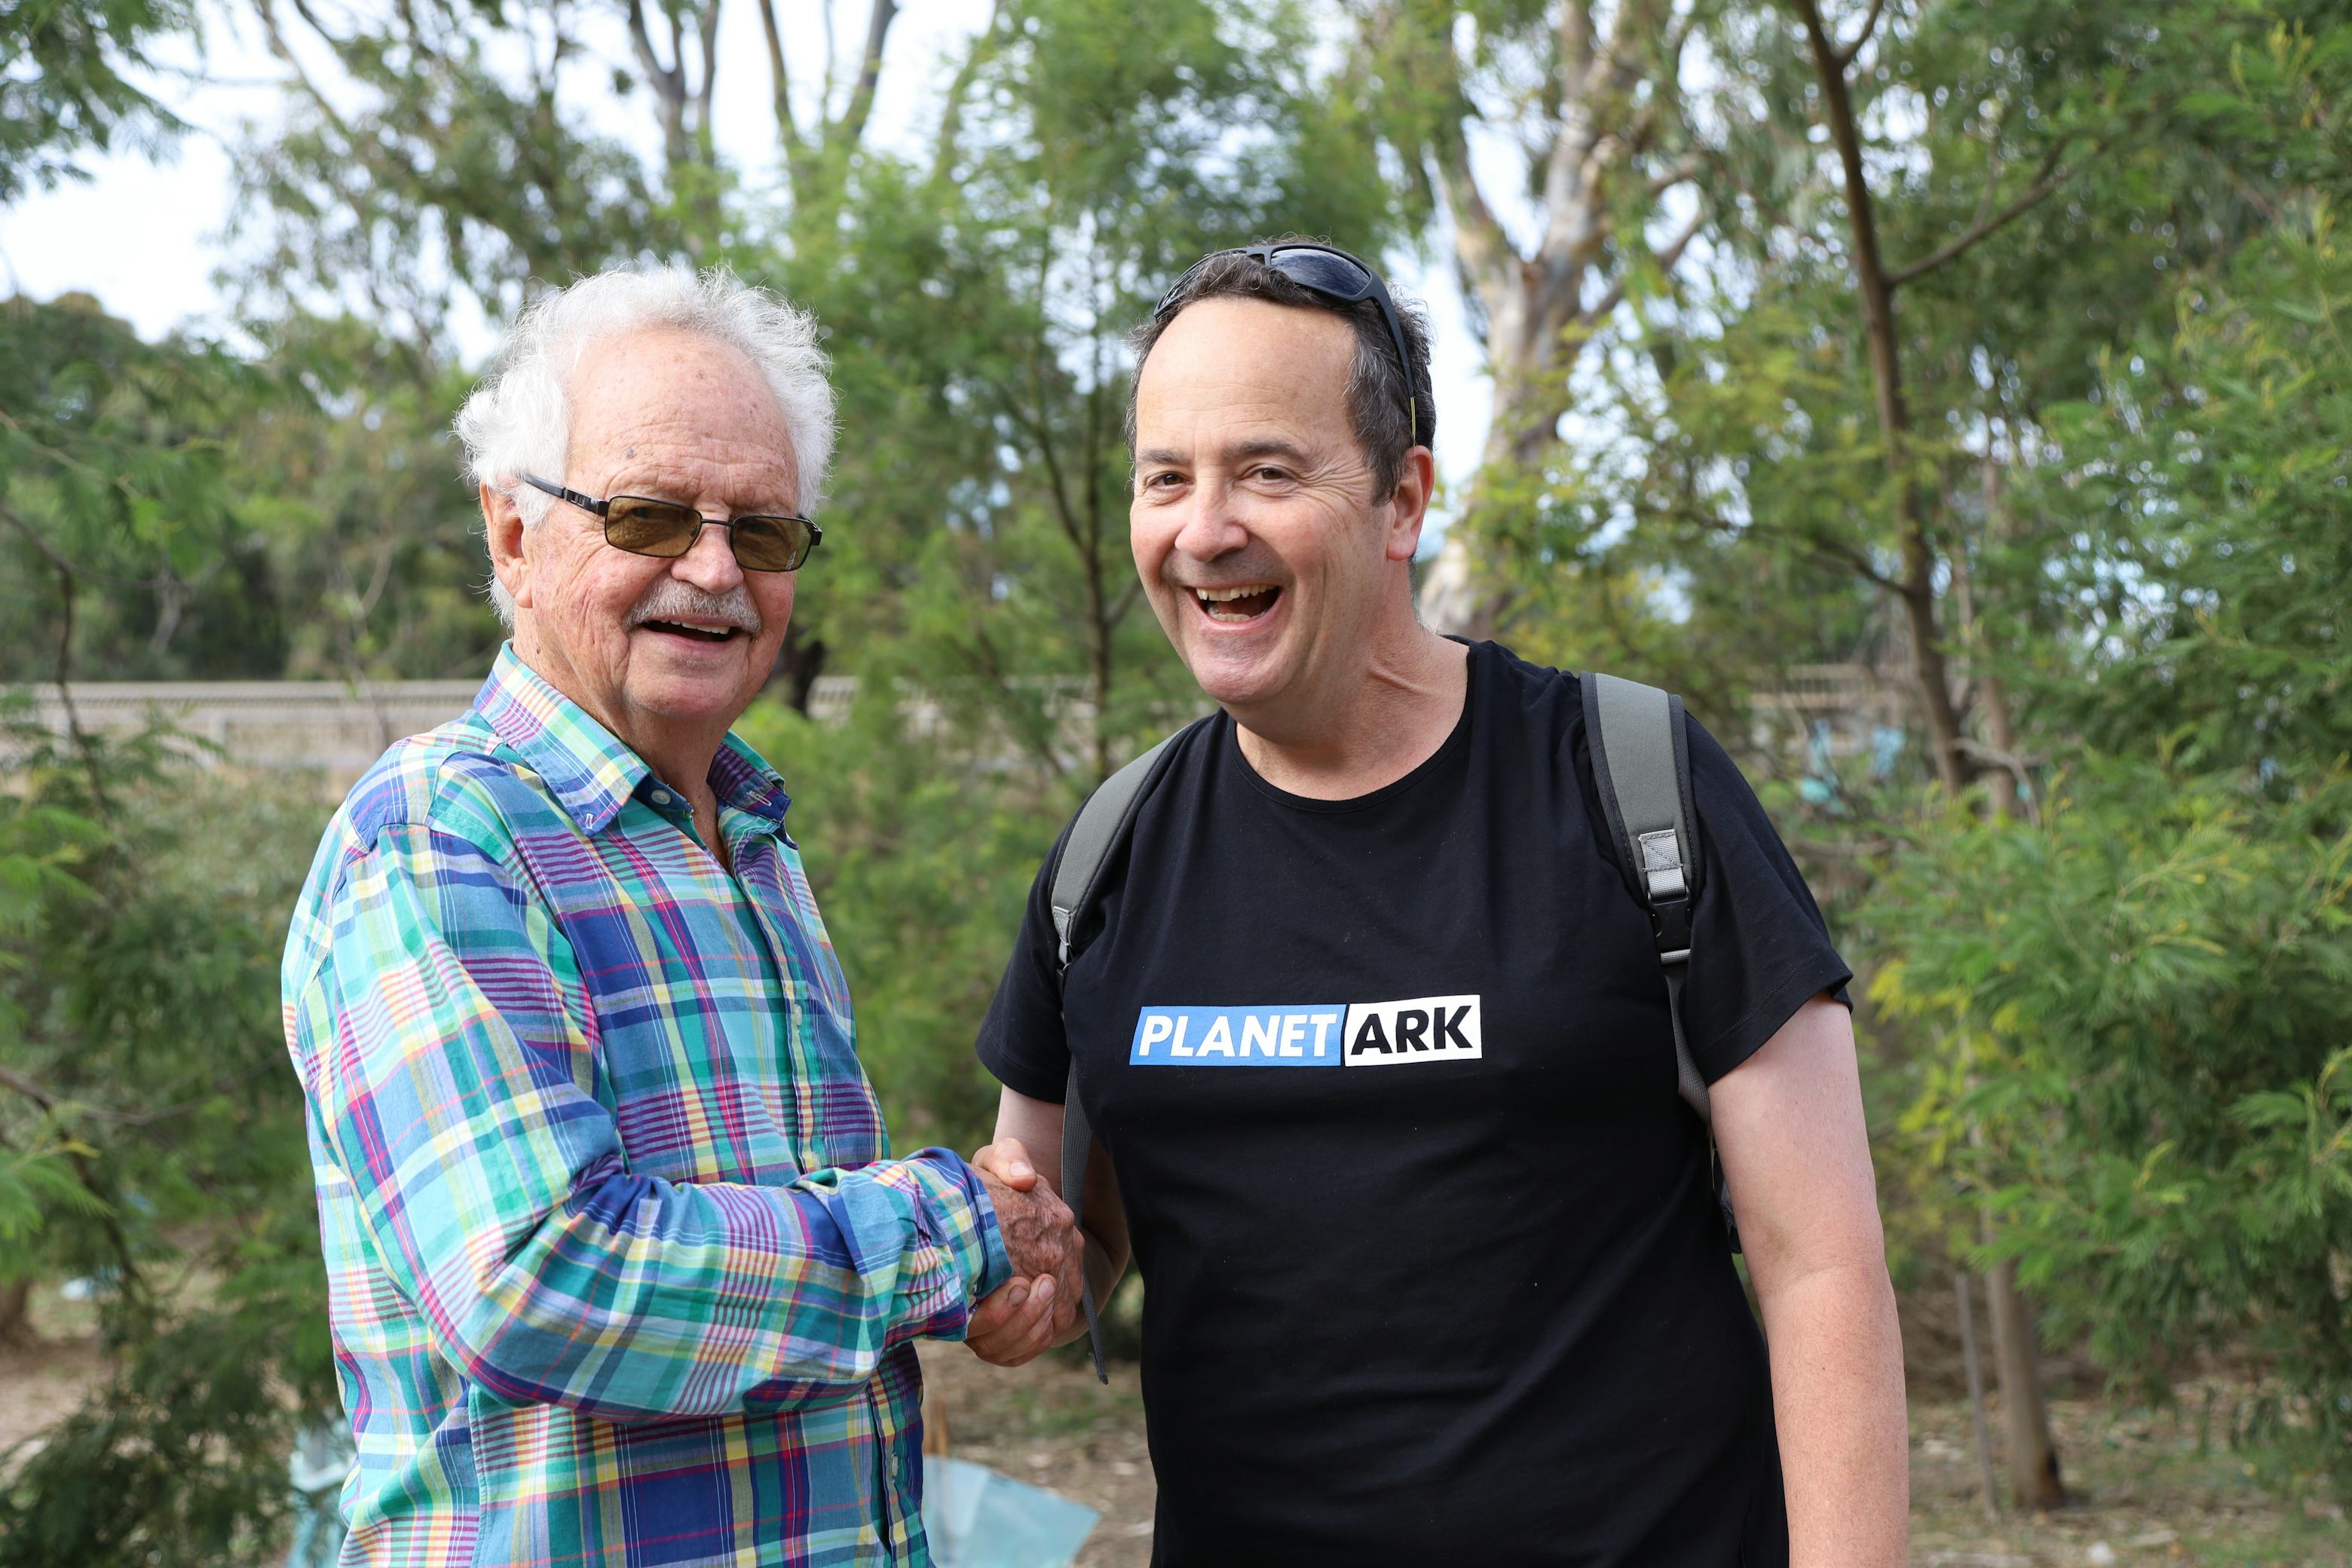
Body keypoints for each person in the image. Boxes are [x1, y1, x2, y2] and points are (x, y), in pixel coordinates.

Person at [963, 242, 1908, 1565]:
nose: (1205, 528)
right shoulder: (1106, 858)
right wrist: (1016, 1275)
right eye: (1166, 477)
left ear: (1402, 500)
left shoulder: (1630, 786)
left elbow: (1823, 1269)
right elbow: (1068, 1242)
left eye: (1267, 472)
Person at [280, 265, 1080, 1566]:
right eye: (648, 516)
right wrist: (953, 1234)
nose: (713, 570)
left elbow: (785, 1295)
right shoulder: (436, 838)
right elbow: (540, 1281)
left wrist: (988, 1274)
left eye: (761, 532)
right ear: (512, 532)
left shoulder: (749, 840)